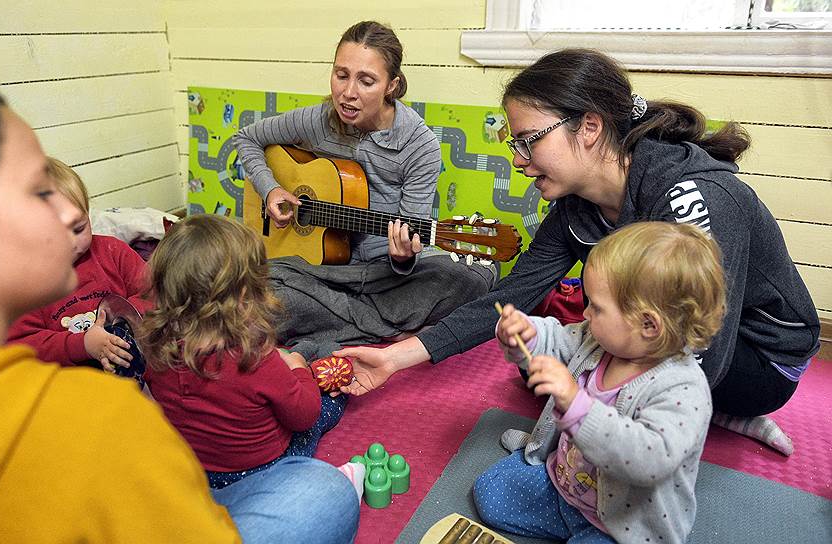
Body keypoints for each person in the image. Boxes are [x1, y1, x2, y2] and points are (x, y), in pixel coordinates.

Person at [337, 48, 820, 456]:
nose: (518, 161)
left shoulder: (692, 197)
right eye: (514, 144)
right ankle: (714, 416)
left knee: (592, 350)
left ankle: (728, 412)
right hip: (672, 337)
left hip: (757, 358)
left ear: (588, 127)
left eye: (527, 141)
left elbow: (704, 350)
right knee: (538, 357)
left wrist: (585, 440)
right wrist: (395, 358)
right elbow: (510, 297)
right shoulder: (576, 206)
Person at [0, 86, 359, 543]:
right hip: (246, 474)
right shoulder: (101, 412)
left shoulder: (137, 337)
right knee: (325, 488)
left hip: (199, 468)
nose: (68, 213)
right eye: (39, 191)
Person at [235, 20, 495, 359]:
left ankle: (342, 319)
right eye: (341, 75)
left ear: (392, 85)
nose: (348, 92)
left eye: (366, 80)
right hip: (318, 268)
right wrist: (270, 190)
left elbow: (410, 241)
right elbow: (247, 137)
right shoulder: (319, 120)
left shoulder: (420, 146)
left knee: (477, 276)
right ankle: (384, 324)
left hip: (382, 274)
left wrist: (403, 256)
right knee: (248, 287)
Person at [474, 222, 724, 543]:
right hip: (563, 487)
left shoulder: (682, 389)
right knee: (490, 492)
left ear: (648, 324)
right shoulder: (600, 338)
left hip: (622, 525)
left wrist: (577, 407)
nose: (586, 312)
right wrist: (528, 334)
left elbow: (647, 461)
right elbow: (557, 340)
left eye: (596, 306)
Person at [139, 214, 358, 492]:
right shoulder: (255, 358)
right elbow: (304, 415)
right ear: (244, 296)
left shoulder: (155, 345)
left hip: (196, 469)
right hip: (263, 471)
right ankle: (308, 357)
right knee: (327, 403)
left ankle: (305, 353)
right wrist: (299, 368)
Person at [6, 157, 145, 372]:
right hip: (74, 383)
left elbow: (154, 293)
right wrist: (82, 345)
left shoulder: (113, 252)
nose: (71, 243)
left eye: (79, 228)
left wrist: (128, 318)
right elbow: (23, 346)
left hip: (135, 362)